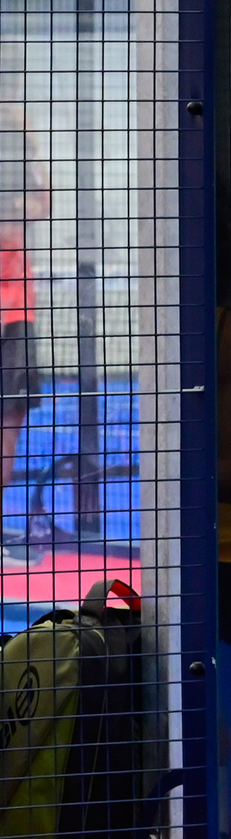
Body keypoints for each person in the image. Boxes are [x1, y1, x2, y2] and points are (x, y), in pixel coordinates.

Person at [0, 104, 48, 553]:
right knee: (7, 426)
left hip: (16, 315)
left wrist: (29, 143)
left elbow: (38, 207)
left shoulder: (18, 184)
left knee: (9, 425)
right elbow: (35, 208)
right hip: (12, 315)